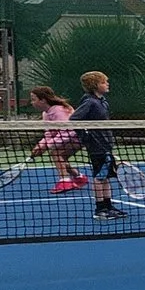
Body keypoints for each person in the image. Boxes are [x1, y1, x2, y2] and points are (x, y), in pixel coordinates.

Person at [72, 70, 122, 221]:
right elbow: (74, 119)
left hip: (106, 144)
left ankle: (108, 206)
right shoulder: (89, 102)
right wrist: (86, 138)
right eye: (103, 82)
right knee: (99, 177)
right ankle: (100, 209)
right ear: (95, 85)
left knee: (105, 176)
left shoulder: (102, 101)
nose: (107, 84)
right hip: (97, 147)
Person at [26, 85, 87, 192]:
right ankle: (79, 177)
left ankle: (65, 182)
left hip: (78, 137)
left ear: (43, 100)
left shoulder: (59, 110)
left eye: (33, 99)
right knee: (60, 157)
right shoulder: (46, 113)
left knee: (56, 154)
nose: (32, 102)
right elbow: (50, 133)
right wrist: (41, 145)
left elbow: (68, 130)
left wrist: (48, 145)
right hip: (69, 138)